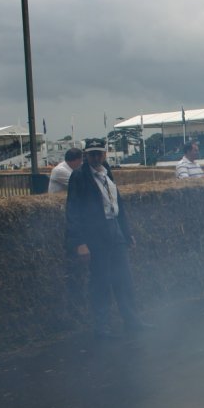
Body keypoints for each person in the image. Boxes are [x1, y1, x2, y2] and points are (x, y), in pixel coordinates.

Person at [65, 141, 150, 338]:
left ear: (105, 154)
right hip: (96, 235)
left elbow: (117, 204)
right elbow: (73, 210)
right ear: (87, 155)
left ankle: (132, 320)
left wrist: (127, 234)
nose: (95, 158)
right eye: (92, 154)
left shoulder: (106, 172)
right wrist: (80, 243)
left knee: (124, 279)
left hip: (115, 230)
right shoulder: (79, 176)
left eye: (99, 154)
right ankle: (101, 327)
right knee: (100, 281)